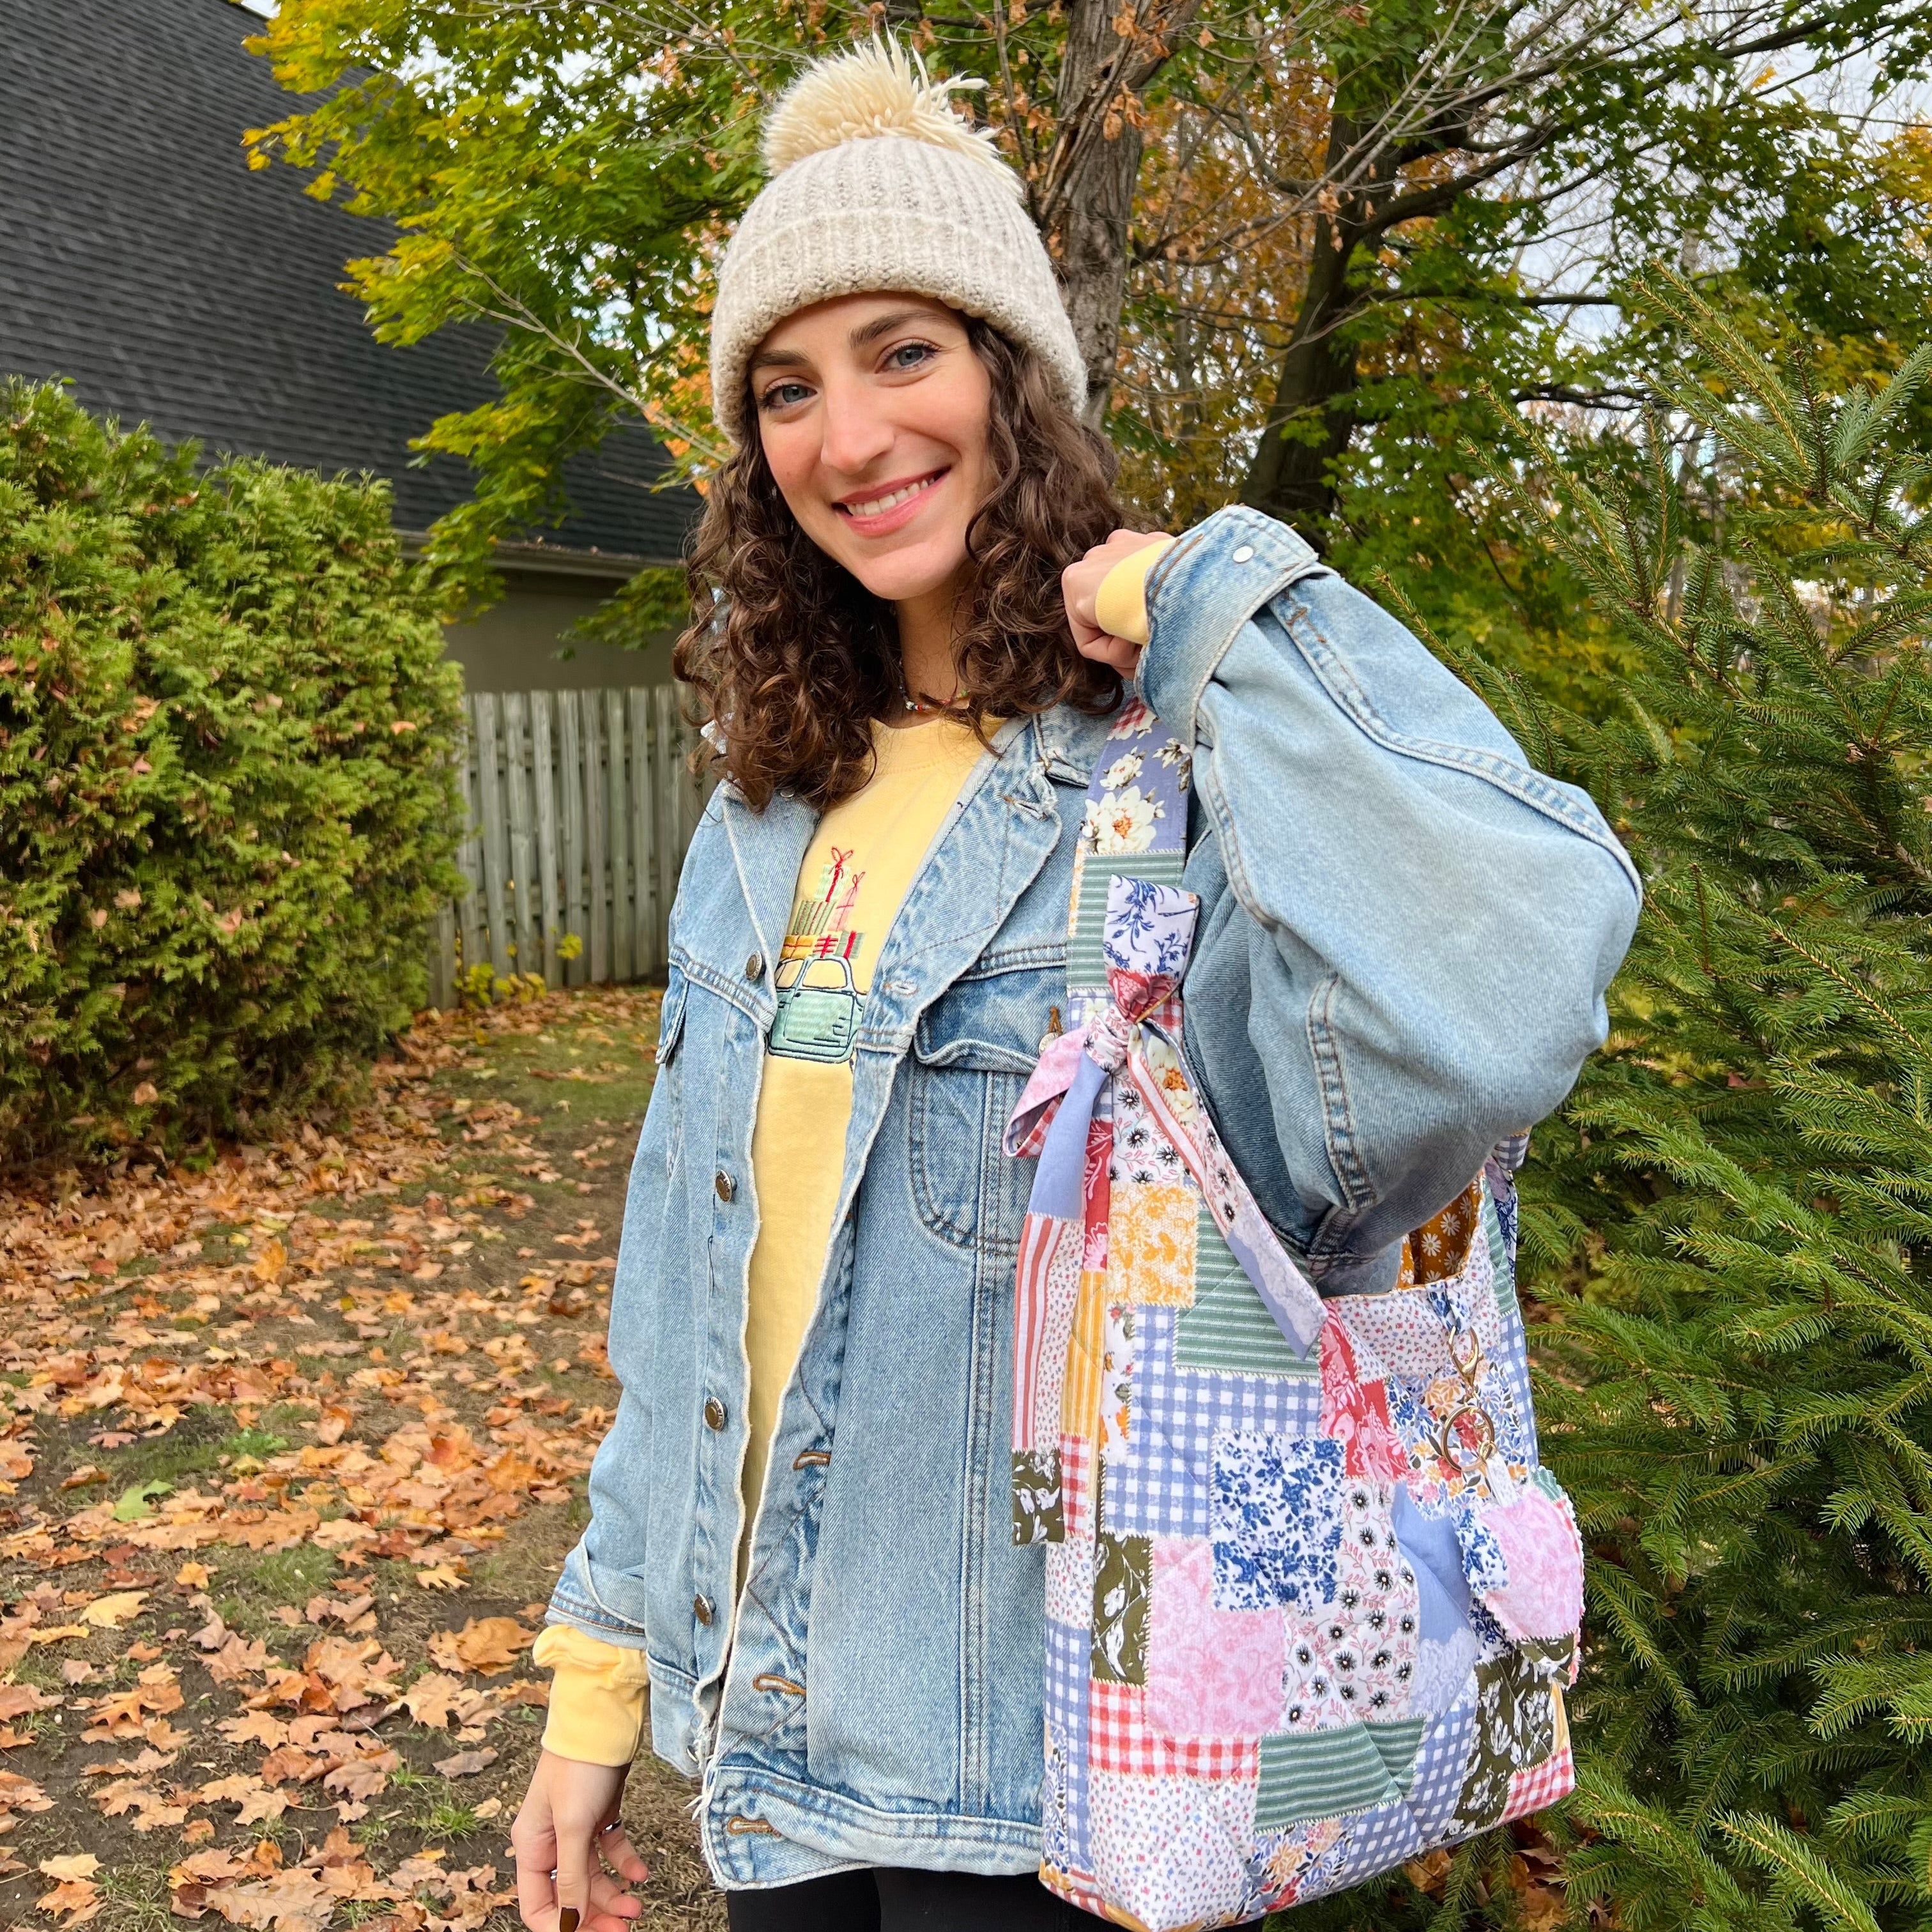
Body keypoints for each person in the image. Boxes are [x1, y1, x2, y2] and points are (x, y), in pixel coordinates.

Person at [510, 35, 1640, 1932]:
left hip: (1062, 1787)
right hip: (773, 1752)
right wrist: (601, 1681)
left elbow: (1503, 994)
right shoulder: (765, 812)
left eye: (903, 353)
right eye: (787, 387)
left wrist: (1211, 609)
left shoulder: (1171, 791)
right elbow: (689, 1293)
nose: (846, 438)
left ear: (1016, 377)